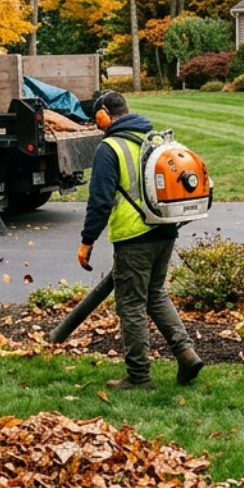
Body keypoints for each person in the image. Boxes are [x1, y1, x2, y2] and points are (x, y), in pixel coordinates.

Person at [78, 91, 203, 390]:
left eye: (97, 119)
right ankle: (186, 354)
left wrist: (87, 241)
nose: (97, 126)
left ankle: (138, 377)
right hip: (165, 229)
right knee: (156, 294)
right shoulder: (155, 140)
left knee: (131, 304)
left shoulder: (110, 148)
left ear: (105, 113)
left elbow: (100, 201)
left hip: (134, 236)